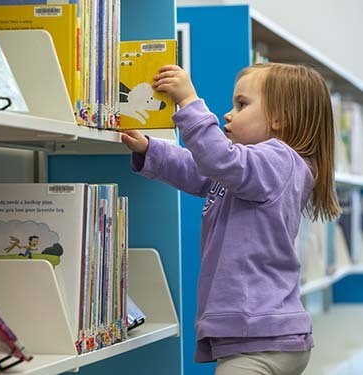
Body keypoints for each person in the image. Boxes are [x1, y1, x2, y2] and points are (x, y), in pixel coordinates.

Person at [121, 63, 341, 375]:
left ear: (281, 119)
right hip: (261, 336)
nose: (228, 114)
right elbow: (199, 170)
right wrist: (150, 149)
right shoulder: (249, 170)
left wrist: (189, 102)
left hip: (261, 338)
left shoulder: (279, 161)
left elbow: (217, 158)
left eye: (241, 104)